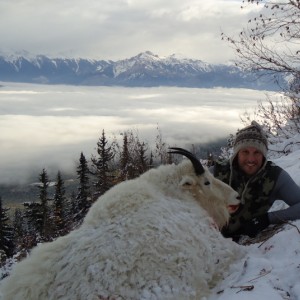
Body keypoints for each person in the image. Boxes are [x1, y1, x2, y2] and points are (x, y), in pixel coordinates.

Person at [212, 120, 300, 240]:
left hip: (245, 247)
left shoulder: (274, 176)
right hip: (206, 238)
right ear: (237, 153)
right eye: (245, 152)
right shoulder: (216, 173)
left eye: (257, 152)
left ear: (264, 155)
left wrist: (267, 219)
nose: (251, 159)